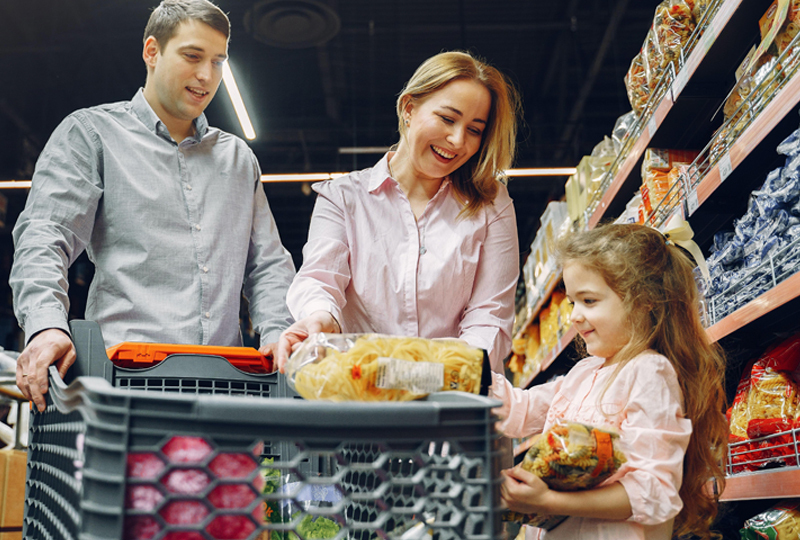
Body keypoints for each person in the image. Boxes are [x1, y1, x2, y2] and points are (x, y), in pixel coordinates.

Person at [10, 0, 295, 412]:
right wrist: (46, 326)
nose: (206, 75)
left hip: (226, 390)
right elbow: (44, 236)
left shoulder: (237, 160)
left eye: (218, 62)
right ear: (152, 52)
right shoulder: (92, 135)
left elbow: (267, 265)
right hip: (122, 389)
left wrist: (278, 334)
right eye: (192, 56)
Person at [276, 51, 521, 373]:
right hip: (361, 389)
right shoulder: (343, 198)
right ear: (409, 108)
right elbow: (320, 279)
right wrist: (321, 318)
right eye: (447, 118)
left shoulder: (491, 204)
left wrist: (432, 374)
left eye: (475, 130)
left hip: (453, 397)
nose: (458, 140)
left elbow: (490, 316)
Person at [492, 223, 728, 540]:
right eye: (572, 302)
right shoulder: (584, 373)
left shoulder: (649, 372)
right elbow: (521, 410)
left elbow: (654, 490)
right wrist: (460, 372)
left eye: (588, 301)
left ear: (645, 302)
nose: (574, 316)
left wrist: (549, 500)